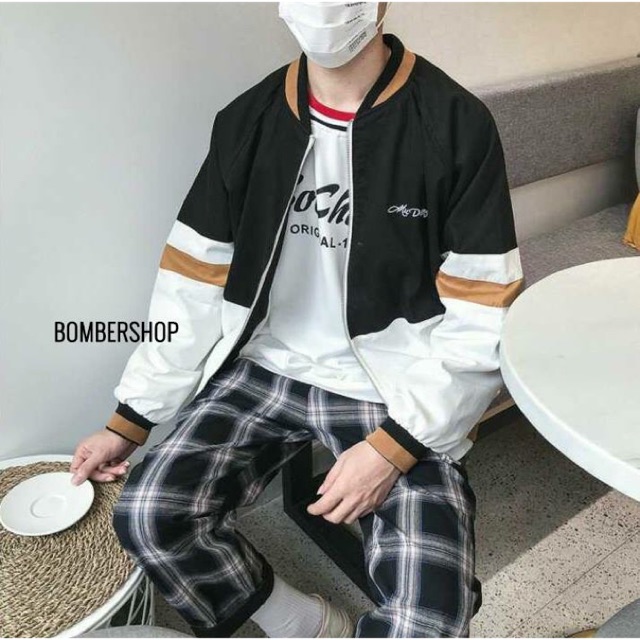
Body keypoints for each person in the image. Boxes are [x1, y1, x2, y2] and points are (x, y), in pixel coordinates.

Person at [70, 2, 524, 637]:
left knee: (428, 617)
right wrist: (131, 417)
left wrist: (395, 448)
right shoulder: (248, 120)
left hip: (392, 384)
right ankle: (303, 622)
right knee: (149, 515)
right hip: (266, 364)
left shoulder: (454, 123)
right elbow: (192, 279)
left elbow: (483, 306)